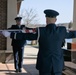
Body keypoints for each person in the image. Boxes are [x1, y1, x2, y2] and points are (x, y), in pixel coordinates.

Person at [4, 9, 76, 75]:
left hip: (44, 64)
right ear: (56, 20)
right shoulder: (62, 30)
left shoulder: (41, 31)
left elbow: (26, 36)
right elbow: (73, 34)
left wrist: (11, 34)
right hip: (58, 64)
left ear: (46, 20)